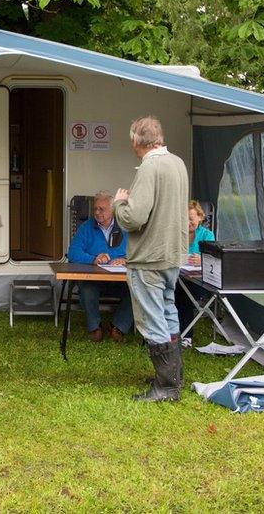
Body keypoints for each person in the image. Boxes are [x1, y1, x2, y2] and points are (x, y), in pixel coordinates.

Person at [114, 116, 189, 402]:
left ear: (136, 140)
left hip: (149, 257)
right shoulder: (177, 163)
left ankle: (166, 387)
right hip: (173, 254)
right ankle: (173, 376)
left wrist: (120, 202)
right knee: (169, 312)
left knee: (152, 318)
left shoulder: (150, 166)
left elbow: (134, 218)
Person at [67, 191, 134, 342]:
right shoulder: (86, 227)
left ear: (113, 210)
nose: (97, 212)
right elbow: (72, 252)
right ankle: (95, 327)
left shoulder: (125, 227)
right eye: (95, 208)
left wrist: (125, 260)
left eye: (101, 209)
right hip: (94, 279)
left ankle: (118, 326)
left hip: (120, 280)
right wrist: (93, 259)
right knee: (87, 288)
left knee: (137, 289)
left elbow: (139, 251)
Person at [176, 201, 215, 329]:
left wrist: (203, 260)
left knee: (182, 293)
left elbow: (215, 262)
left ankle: (185, 336)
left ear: (200, 217)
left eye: (191, 219)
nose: (187, 222)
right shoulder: (175, 235)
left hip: (199, 281)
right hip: (176, 277)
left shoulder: (207, 235)